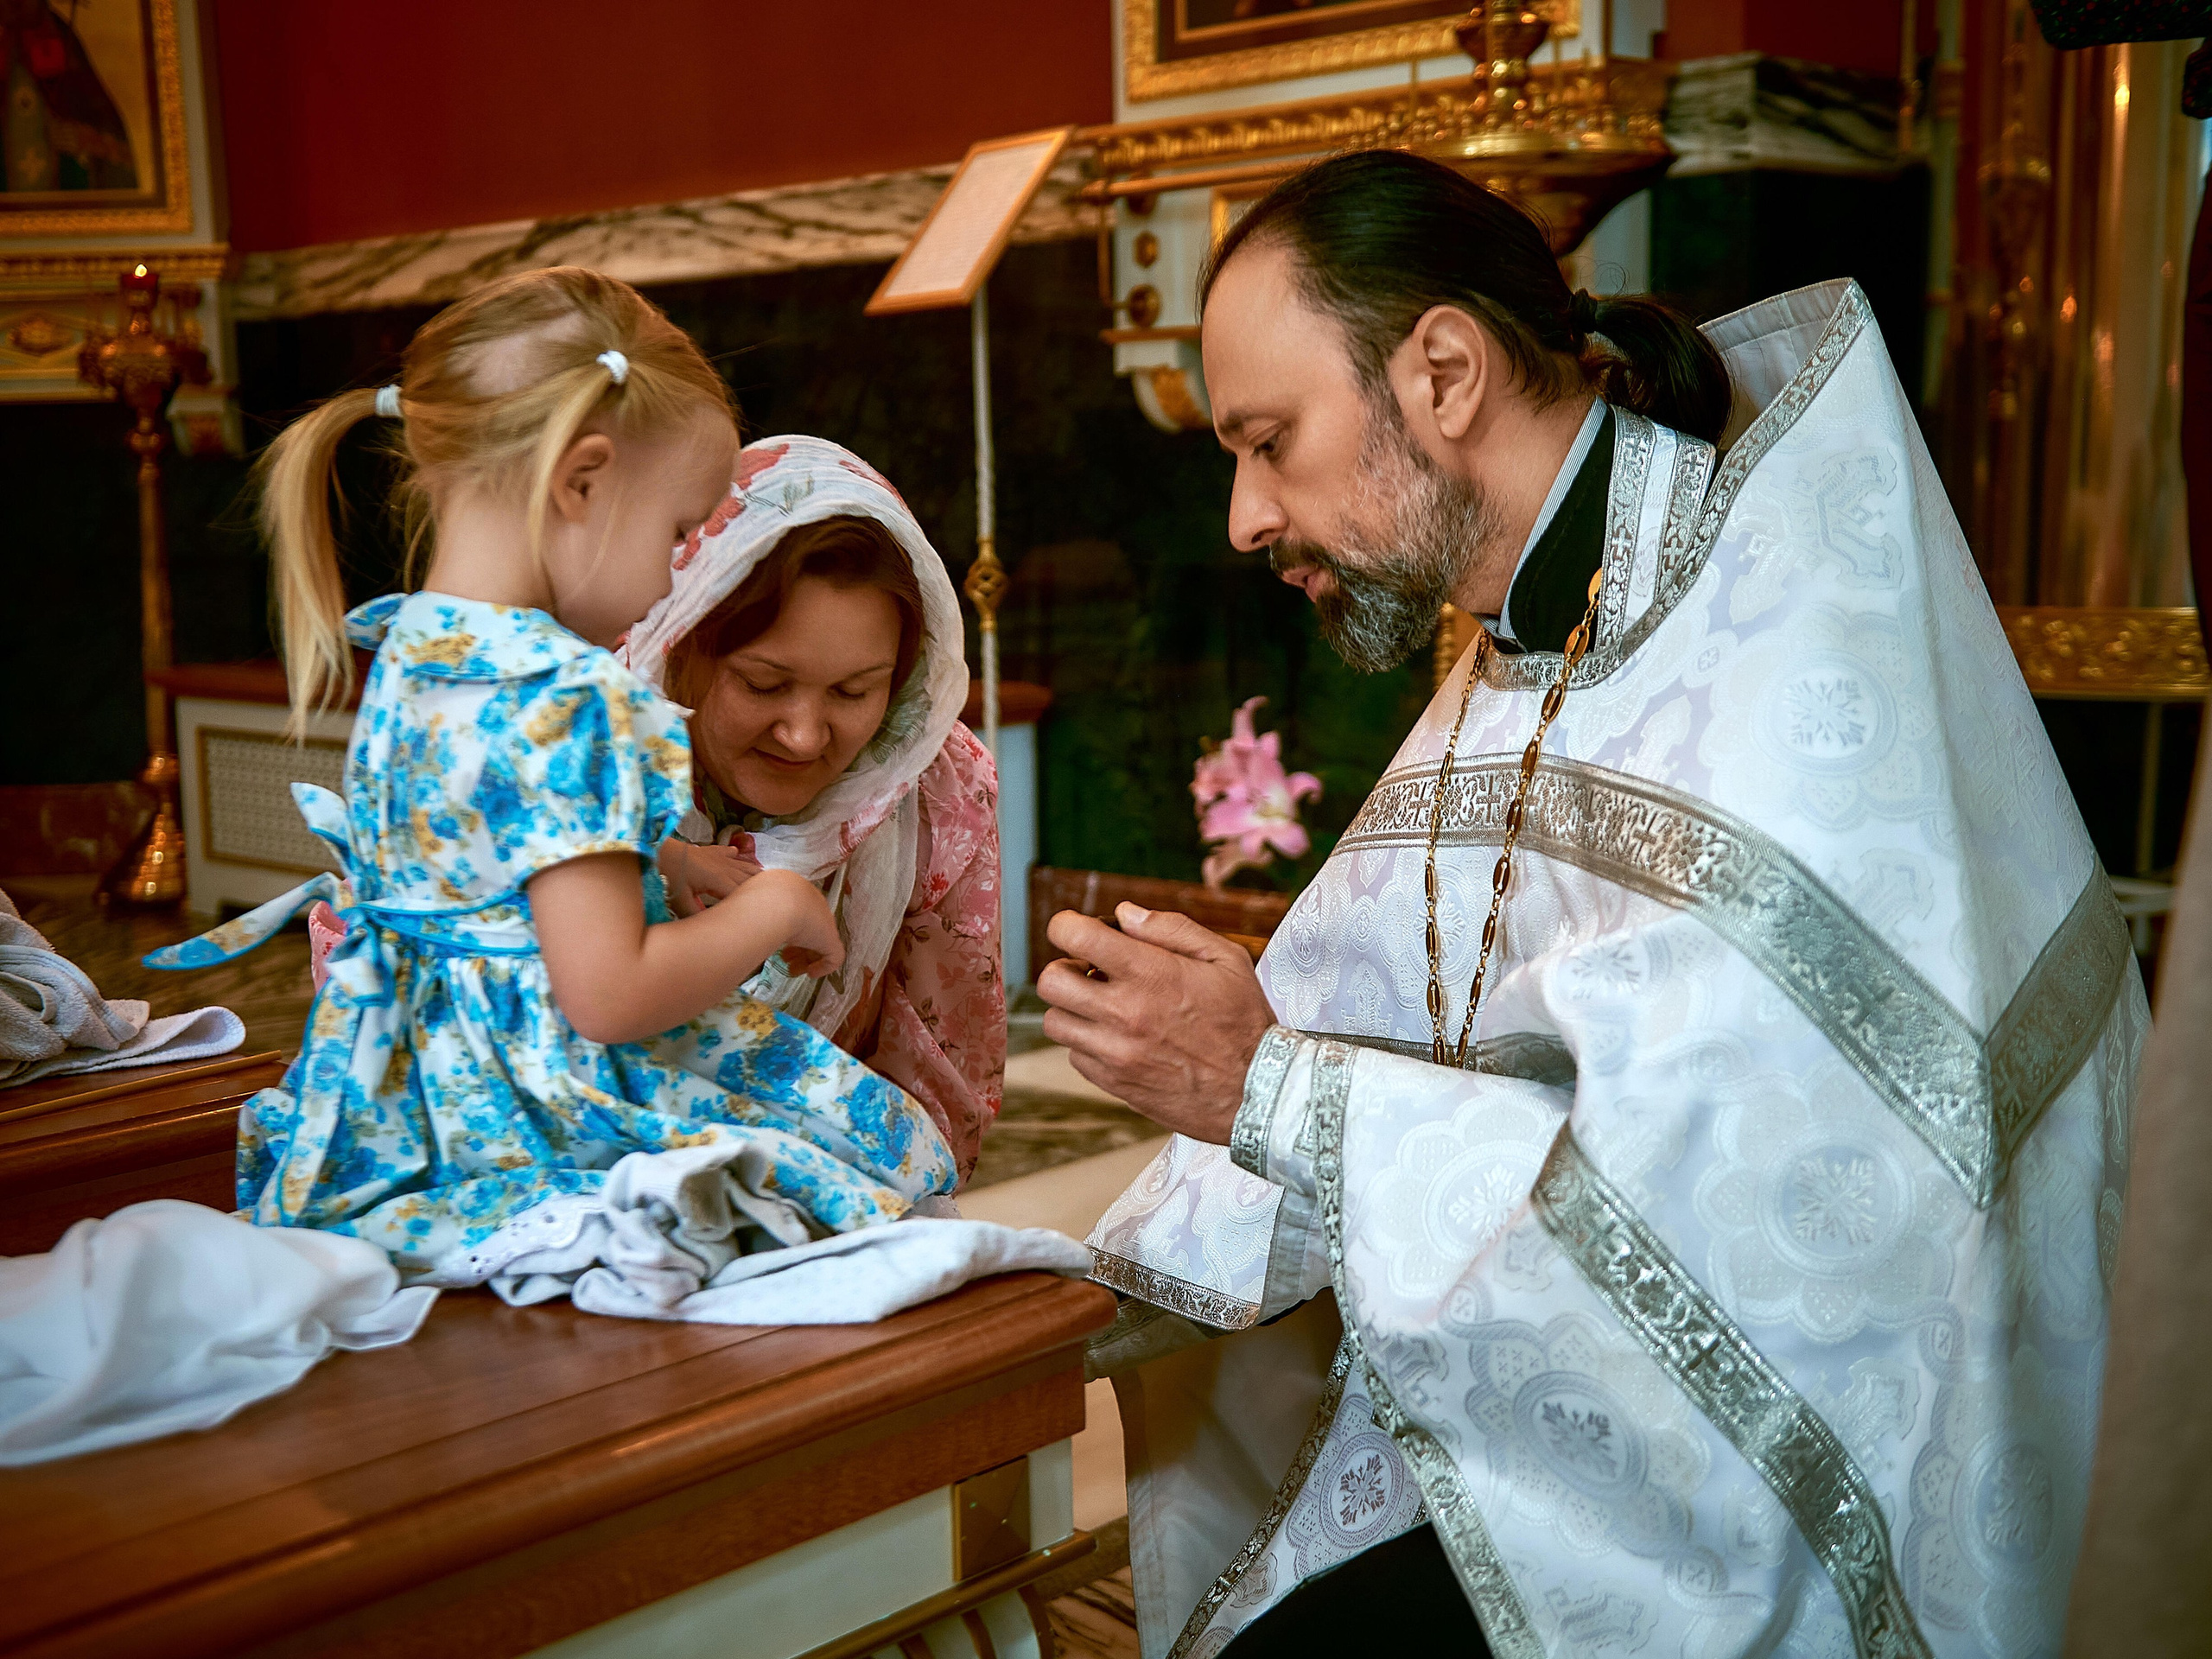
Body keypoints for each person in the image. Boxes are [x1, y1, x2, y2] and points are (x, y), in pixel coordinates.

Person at [1042, 151, 2141, 1657]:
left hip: (1803, 1496)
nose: (1242, 517)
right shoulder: (1542, 632)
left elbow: (1746, 1236)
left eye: (1270, 441)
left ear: (1441, 373)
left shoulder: (1774, 655)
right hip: (1563, 1422)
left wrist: (1271, 1088)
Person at [147, 265, 957, 1292]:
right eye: (677, 532)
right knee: (880, 1158)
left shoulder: (413, 646)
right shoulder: (574, 692)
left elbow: (485, 839)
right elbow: (608, 996)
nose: (676, 575)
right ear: (580, 480)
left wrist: (657, 853)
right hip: (534, 1104)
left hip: (408, 1100)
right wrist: (773, 908)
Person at [619, 435, 1004, 1185]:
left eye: (855, 692)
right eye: (764, 684)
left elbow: (941, 1092)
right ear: (684, 639)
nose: (803, 734)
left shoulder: (936, 784)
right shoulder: (588, 750)